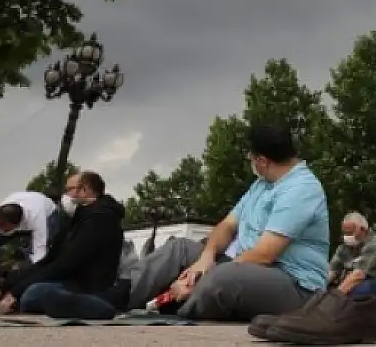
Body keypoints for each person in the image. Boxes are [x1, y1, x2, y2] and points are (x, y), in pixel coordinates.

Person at [128, 123, 330, 321]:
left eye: (250, 157)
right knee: (179, 249)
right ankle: (119, 295)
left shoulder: (301, 189)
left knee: (222, 279)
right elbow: (227, 226)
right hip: (245, 265)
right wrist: (206, 257)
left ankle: (175, 308)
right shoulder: (261, 185)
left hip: (293, 283)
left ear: (261, 161)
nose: (249, 161)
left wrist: (202, 277)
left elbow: (264, 254)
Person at [0, 172, 126, 318]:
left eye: (69, 190)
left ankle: (99, 306)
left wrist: (15, 292)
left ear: (85, 190)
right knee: (31, 291)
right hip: (69, 282)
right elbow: (48, 261)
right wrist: (3, 288)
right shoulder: (75, 221)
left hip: (88, 286)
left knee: (34, 292)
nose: (65, 196)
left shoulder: (100, 220)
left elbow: (64, 265)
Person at [325, 212, 376, 315]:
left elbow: (358, 275)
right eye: (345, 233)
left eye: (350, 233)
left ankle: (341, 306)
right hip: (351, 288)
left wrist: (336, 296)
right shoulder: (343, 247)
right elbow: (331, 271)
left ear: (363, 230)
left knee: (364, 287)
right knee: (327, 288)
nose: (347, 236)